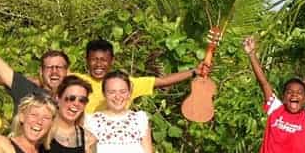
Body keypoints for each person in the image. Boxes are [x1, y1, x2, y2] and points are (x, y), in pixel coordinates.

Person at [75, 39, 210, 113]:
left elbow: (163, 81)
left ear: (112, 61)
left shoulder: (126, 83)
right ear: (87, 60)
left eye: (103, 60)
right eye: (94, 59)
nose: (98, 64)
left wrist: (194, 71)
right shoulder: (75, 81)